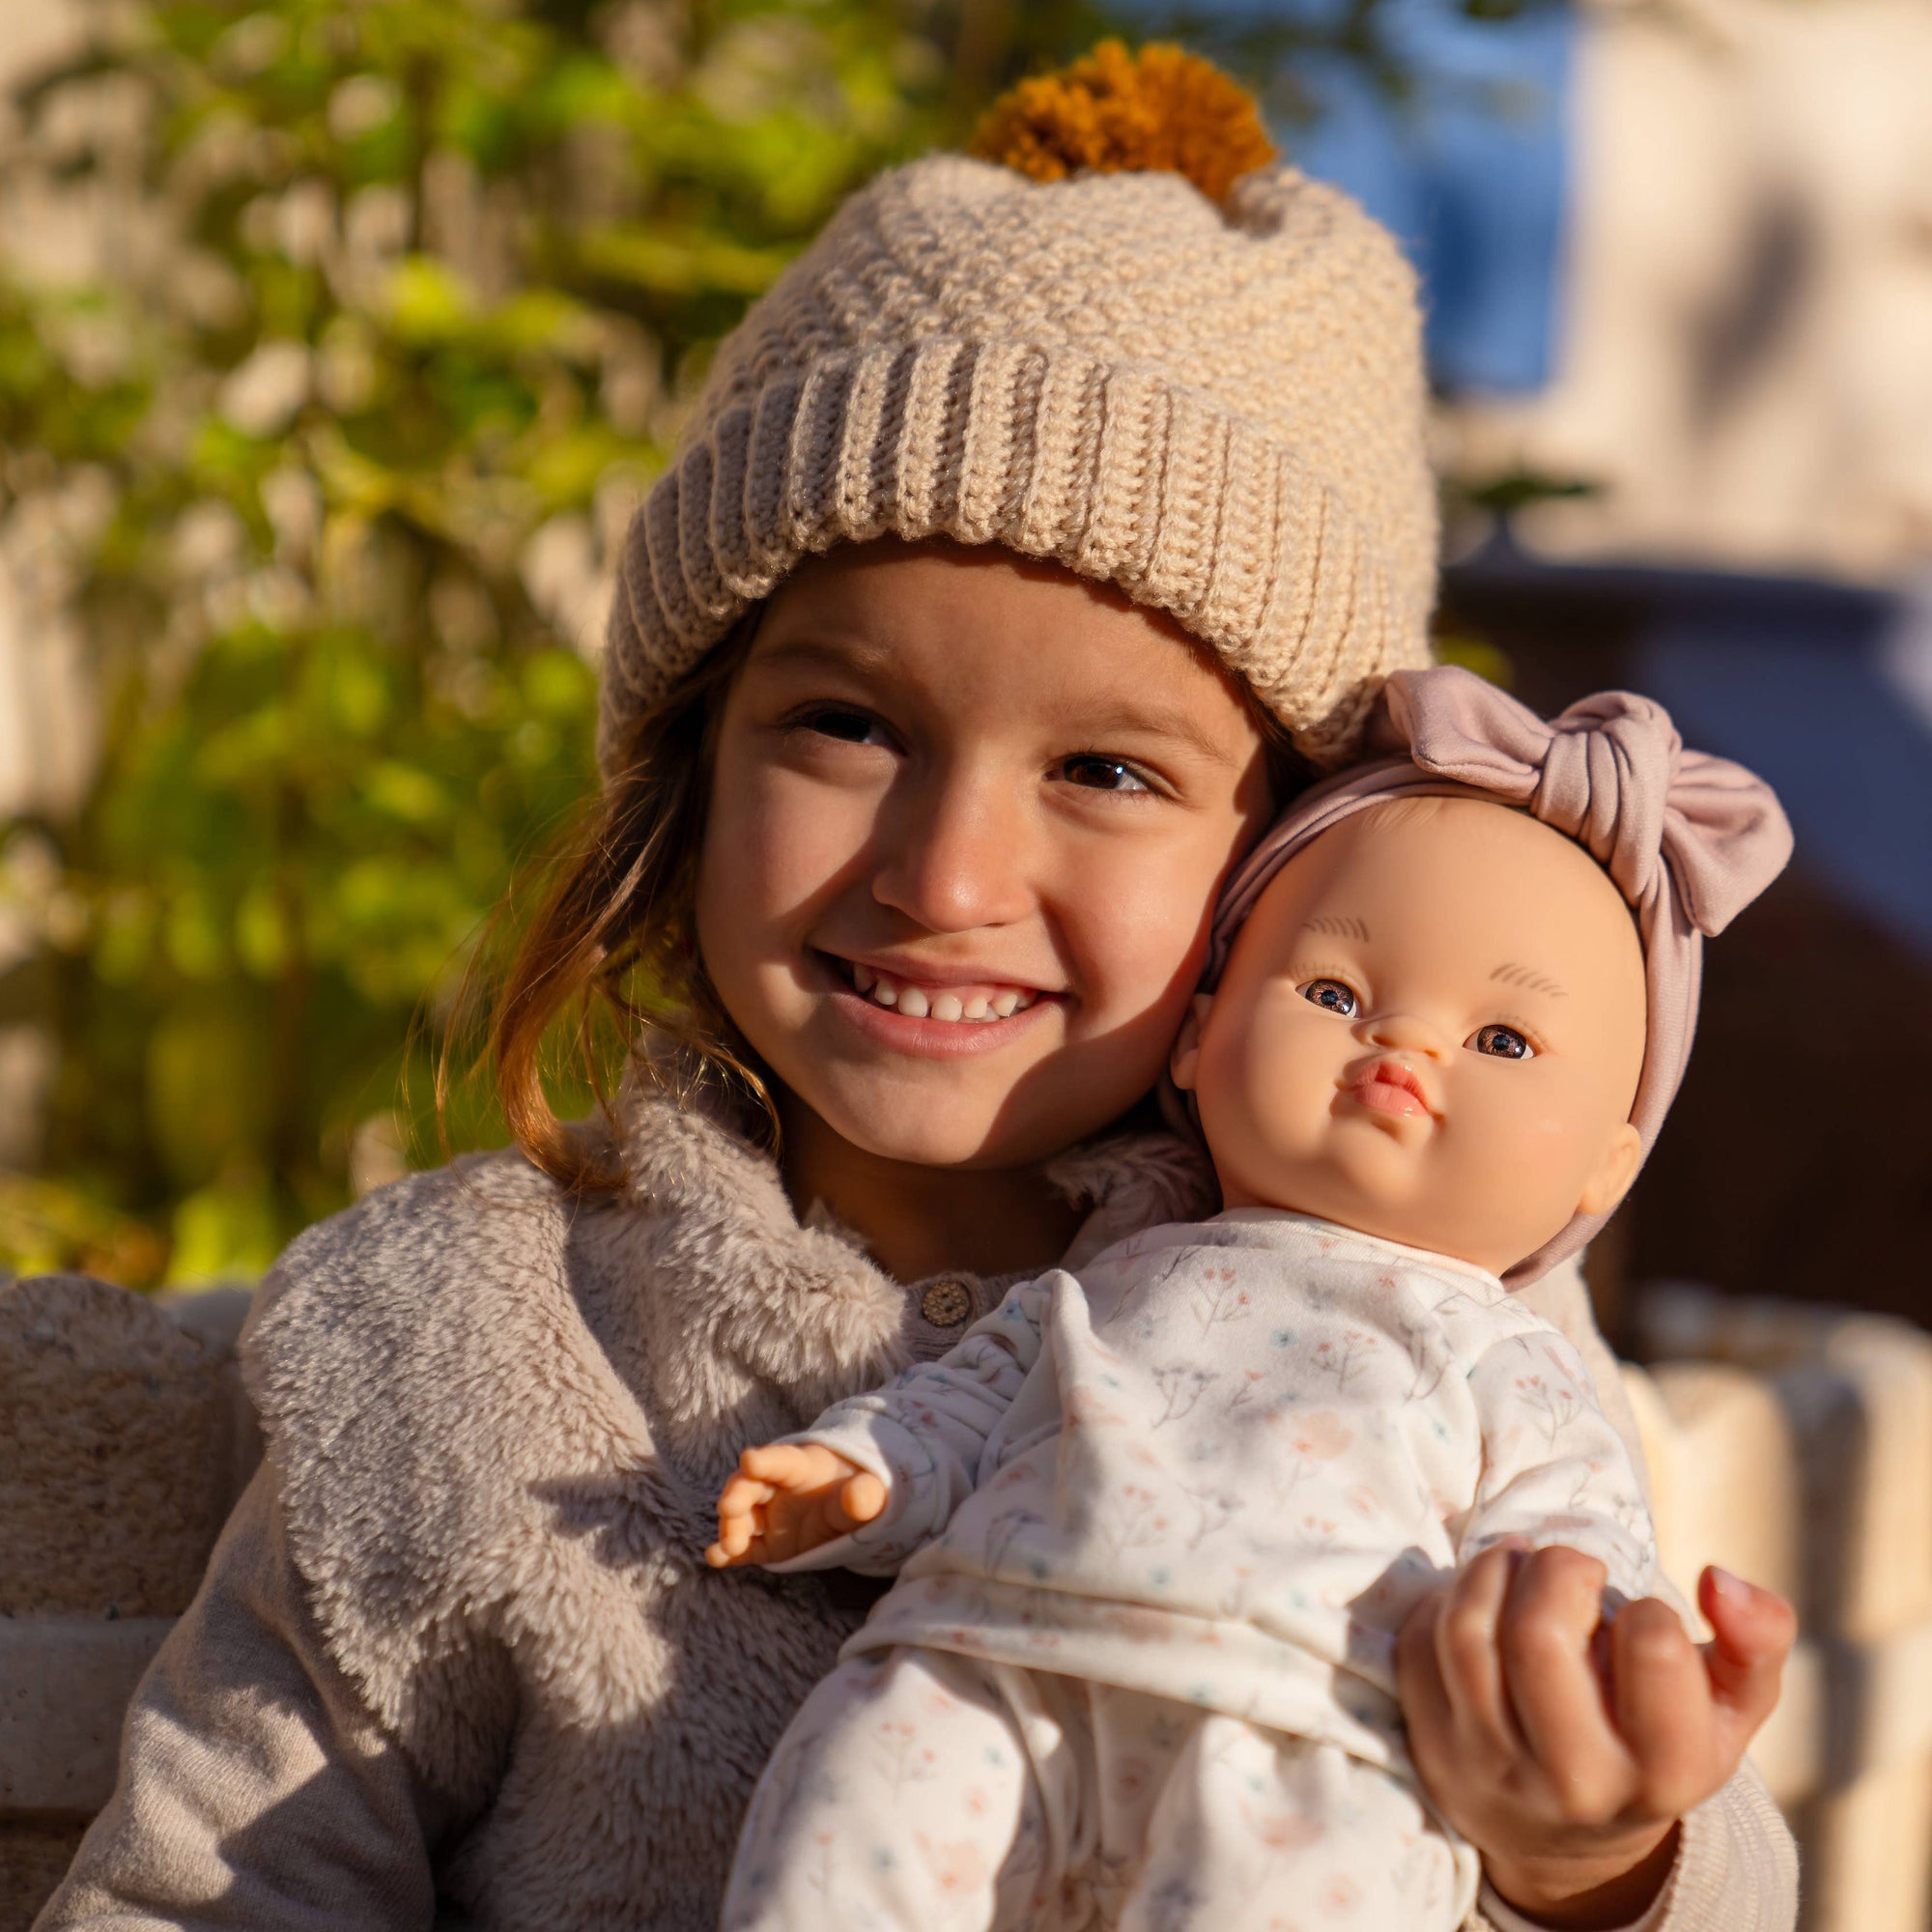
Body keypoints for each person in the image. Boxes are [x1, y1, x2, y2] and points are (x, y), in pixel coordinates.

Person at [34, 44, 1798, 1932]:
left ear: (1293, 868)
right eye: (847, 724)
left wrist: (1587, 1849)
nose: (944, 878)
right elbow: (204, 1887)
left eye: (1107, 771)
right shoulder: (462, 1344)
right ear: (691, 767)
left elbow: (1724, 1870)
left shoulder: (1429, 1326)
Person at [705, 667, 1792, 1932]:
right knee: (841, 1842)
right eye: (1333, 994)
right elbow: (980, 1393)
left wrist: (1585, 1723)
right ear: (1200, 1035)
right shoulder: (1126, 1261)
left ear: (1610, 1160)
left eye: (1503, 1041)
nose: (1405, 1046)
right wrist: (863, 1473)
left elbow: (1568, 1553)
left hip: (1308, 1737)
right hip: (987, 1657)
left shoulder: (1517, 1362)